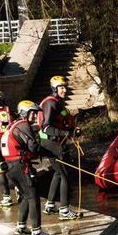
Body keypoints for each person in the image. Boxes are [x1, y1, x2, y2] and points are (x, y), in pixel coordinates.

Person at [1, 100, 55, 235]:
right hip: (19, 166)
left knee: (25, 195)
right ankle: (37, 232)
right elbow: (33, 147)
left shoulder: (13, 125)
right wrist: (50, 153)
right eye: (33, 113)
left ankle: (21, 227)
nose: (35, 116)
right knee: (33, 196)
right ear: (25, 113)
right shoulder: (24, 125)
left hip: (10, 166)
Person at [37, 75, 80, 220]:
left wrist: (72, 130)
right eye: (61, 87)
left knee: (57, 173)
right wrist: (64, 133)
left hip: (57, 142)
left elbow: (63, 123)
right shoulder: (50, 104)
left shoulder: (58, 103)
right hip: (51, 143)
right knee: (65, 175)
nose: (64, 90)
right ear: (54, 89)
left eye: (65, 87)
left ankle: (50, 205)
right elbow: (46, 127)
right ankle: (64, 210)